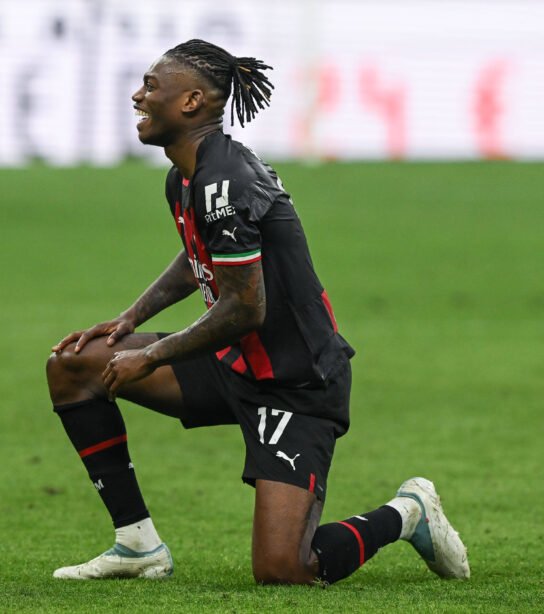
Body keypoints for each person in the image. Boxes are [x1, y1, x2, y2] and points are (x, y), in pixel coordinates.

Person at [45, 39, 469, 585]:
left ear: (192, 101)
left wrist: (149, 355)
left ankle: (408, 512)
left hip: (295, 381)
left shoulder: (227, 180)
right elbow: (199, 256)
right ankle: (137, 545)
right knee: (73, 365)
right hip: (231, 362)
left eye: (151, 86)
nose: (138, 96)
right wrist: (132, 317)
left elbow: (245, 308)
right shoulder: (187, 176)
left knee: (284, 569)